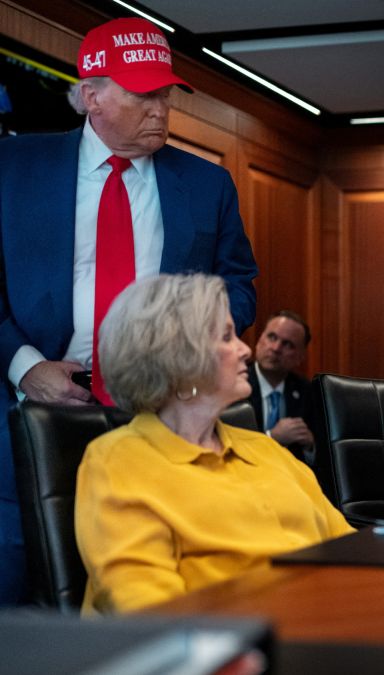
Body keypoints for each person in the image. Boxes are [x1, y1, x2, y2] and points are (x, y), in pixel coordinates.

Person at [0, 17, 258, 604]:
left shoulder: (207, 184)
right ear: (91, 95)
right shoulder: (12, 168)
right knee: (20, 598)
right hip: (27, 415)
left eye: (165, 94)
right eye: (143, 94)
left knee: (151, 594)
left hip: (160, 420)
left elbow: (238, 285)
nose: (160, 110)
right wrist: (23, 365)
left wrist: (192, 345)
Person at [74, 275, 351, 614]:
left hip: (330, 624)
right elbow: (147, 608)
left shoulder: (266, 450)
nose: (245, 349)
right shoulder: (117, 461)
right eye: (227, 336)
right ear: (179, 358)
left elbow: (350, 548)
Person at [247, 310, 315, 464]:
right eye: (272, 337)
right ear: (259, 341)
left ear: (300, 357)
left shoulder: (307, 392)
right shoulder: (236, 385)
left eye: (287, 344)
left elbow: (319, 460)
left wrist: (310, 445)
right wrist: (271, 437)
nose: (276, 348)